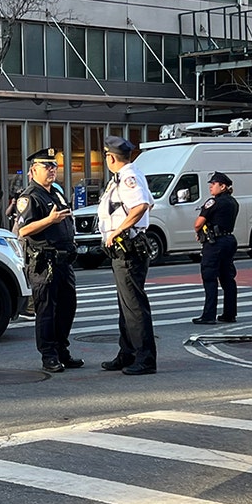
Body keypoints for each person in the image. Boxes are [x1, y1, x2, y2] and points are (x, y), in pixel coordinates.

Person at [14, 148, 80, 373]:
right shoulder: (30, 196)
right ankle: (49, 355)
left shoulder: (55, 193)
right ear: (33, 170)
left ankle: (62, 350)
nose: (52, 170)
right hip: (45, 263)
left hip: (63, 261)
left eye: (54, 166)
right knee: (46, 311)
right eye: (47, 166)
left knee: (67, 308)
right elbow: (24, 229)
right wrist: (50, 220)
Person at [97, 136, 157, 376]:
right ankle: (128, 352)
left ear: (111, 158)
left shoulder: (129, 177)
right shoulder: (123, 177)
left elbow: (141, 205)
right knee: (126, 305)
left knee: (134, 305)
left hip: (129, 247)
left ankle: (145, 357)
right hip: (124, 247)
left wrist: (119, 230)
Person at [193, 171, 239, 325]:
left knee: (210, 277)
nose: (211, 187)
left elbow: (198, 223)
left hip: (215, 243)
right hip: (229, 240)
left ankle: (208, 315)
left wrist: (199, 231)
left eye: (214, 184)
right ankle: (229, 314)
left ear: (223, 186)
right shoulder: (233, 202)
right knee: (227, 278)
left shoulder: (213, 202)